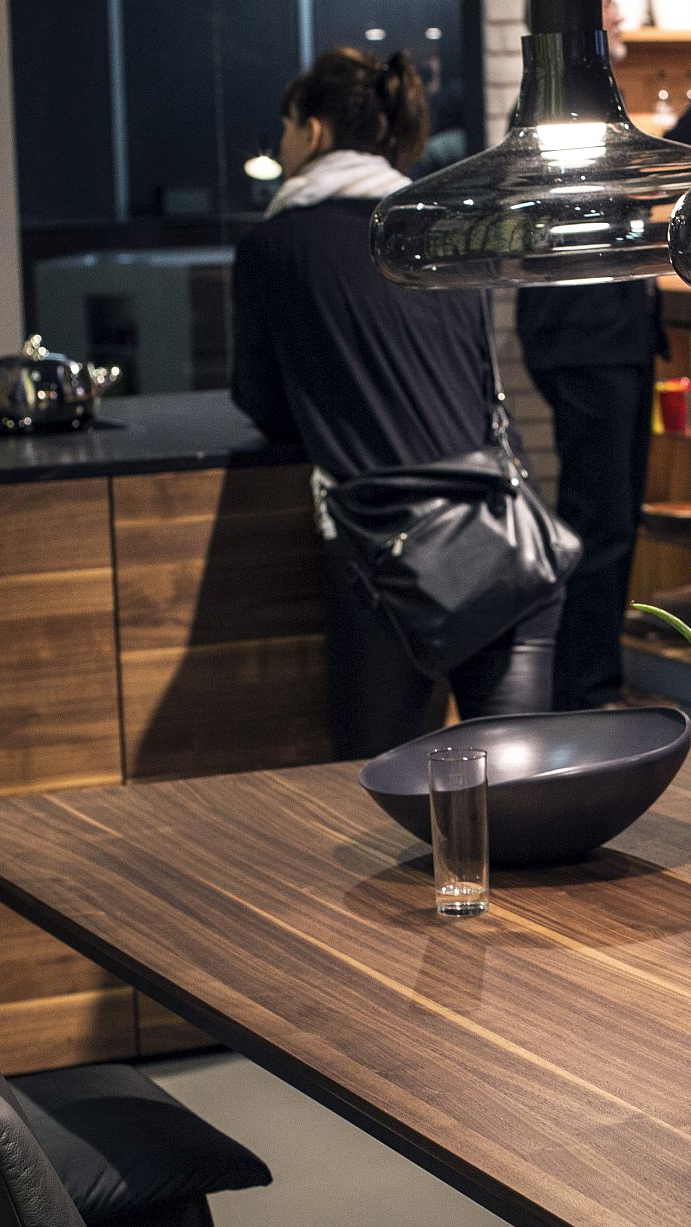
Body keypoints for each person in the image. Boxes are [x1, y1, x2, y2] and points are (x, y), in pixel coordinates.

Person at [233, 48, 564, 760]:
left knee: (380, 799)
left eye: (288, 127)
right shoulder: (437, 232)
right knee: (516, 798)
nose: (283, 144)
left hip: (393, 556)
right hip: (509, 544)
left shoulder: (274, 247)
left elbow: (260, 400)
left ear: (314, 132)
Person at [518, 10, 691, 710]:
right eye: (608, 3)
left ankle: (586, 687)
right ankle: (583, 694)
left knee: (606, 517)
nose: (622, 13)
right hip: (590, 337)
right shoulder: (569, 97)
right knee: (600, 522)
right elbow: (649, 182)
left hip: (592, 335)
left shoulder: (571, 92)